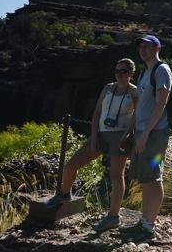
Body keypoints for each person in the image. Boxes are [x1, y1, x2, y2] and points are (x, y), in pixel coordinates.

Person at [45, 57, 138, 232]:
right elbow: (96, 114)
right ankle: (64, 194)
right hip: (101, 134)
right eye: (117, 71)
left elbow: (137, 116)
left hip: (119, 138)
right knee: (71, 166)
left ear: (131, 73)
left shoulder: (134, 92)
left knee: (116, 177)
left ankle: (113, 217)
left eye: (123, 71)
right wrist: (94, 137)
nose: (119, 74)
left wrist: (127, 135)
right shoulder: (108, 88)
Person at [120, 34, 172, 241]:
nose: (143, 49)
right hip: (143, 132)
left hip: (155, 133)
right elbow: (139, 107)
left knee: (154, 176)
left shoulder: (162, 70)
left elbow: (161, 104)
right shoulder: (144, 73)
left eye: (148, 46)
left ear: (157, 48)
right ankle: (144, 222)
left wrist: (146, 134)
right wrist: (130, 131)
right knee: (147, 179)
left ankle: (148, 227)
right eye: (140, 46)